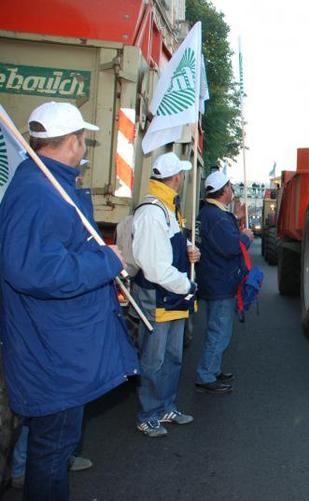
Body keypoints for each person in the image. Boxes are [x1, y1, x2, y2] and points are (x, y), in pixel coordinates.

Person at [0, 101, 138, 500]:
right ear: (73, 142)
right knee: (51, 455)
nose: (84, 148)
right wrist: (103, 263)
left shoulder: (46, 183)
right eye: (83, 140)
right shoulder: (38, 192)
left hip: (55, 348)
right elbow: (33, 270)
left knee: (53, 450)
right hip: (52, 355)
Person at [131, 151, 200, 437]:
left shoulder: (169, 208)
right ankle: (147, 414)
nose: (184, 178)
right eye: (182, 174)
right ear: (176, 178)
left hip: (174, 298)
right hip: (160, 299)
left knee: (173, 358)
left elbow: (172, 248)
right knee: (153, 361)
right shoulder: (152, 211)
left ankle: (166, 406)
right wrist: (188, 286)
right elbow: (155, 267)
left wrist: (190, 251)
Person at [194, 171, 253, 394]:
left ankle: (213, 368)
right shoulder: (217, 217)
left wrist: (236, 219)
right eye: (230, 186)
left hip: (212, 278)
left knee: (217, 328)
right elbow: (231, 247)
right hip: (220, 281)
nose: (232, 190)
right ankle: (206, 374)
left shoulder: (208, 214)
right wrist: (246, 236)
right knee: (219, 330)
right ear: (225, 190)